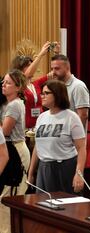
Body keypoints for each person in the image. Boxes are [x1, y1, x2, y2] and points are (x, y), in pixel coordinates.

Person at [27, 80, 86, 194]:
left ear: (57, 94)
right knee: (42, 205)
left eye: (46, 93)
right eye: (42, 93)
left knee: (66, 207)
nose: (42, 96)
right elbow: (37, 147)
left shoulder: (71, 117)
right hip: (44, 168)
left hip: (64, 167)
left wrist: (79, 174)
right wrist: (30, 173)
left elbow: (81, 148)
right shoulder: (42, 117)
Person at [0, 69, 31, 233]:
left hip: (16, 150)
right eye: (3, 82)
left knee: (10, 193)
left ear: (18, 87)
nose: (3, 85)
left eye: (8, 83)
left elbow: (4, 131)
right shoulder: (6, 104)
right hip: (8, 148)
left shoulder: (15, 105)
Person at [10, 41, 57, 129]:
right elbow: (26, 75)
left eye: (31, 64)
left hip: (40, 126)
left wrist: (56, 53)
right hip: (24, 128)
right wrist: (41, 54)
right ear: (19, 68)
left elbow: (55, 72)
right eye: (28, 65)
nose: (32, 67)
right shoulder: (18, 85)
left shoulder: (36, 84)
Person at [51, 54, 90, 129]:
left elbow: (83, 115)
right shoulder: (57, 86)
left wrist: (76, 136)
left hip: (72, 137)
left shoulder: (78, 86)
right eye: (52, 69)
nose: (53, 72)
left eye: (57, 68)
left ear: (67, 68)